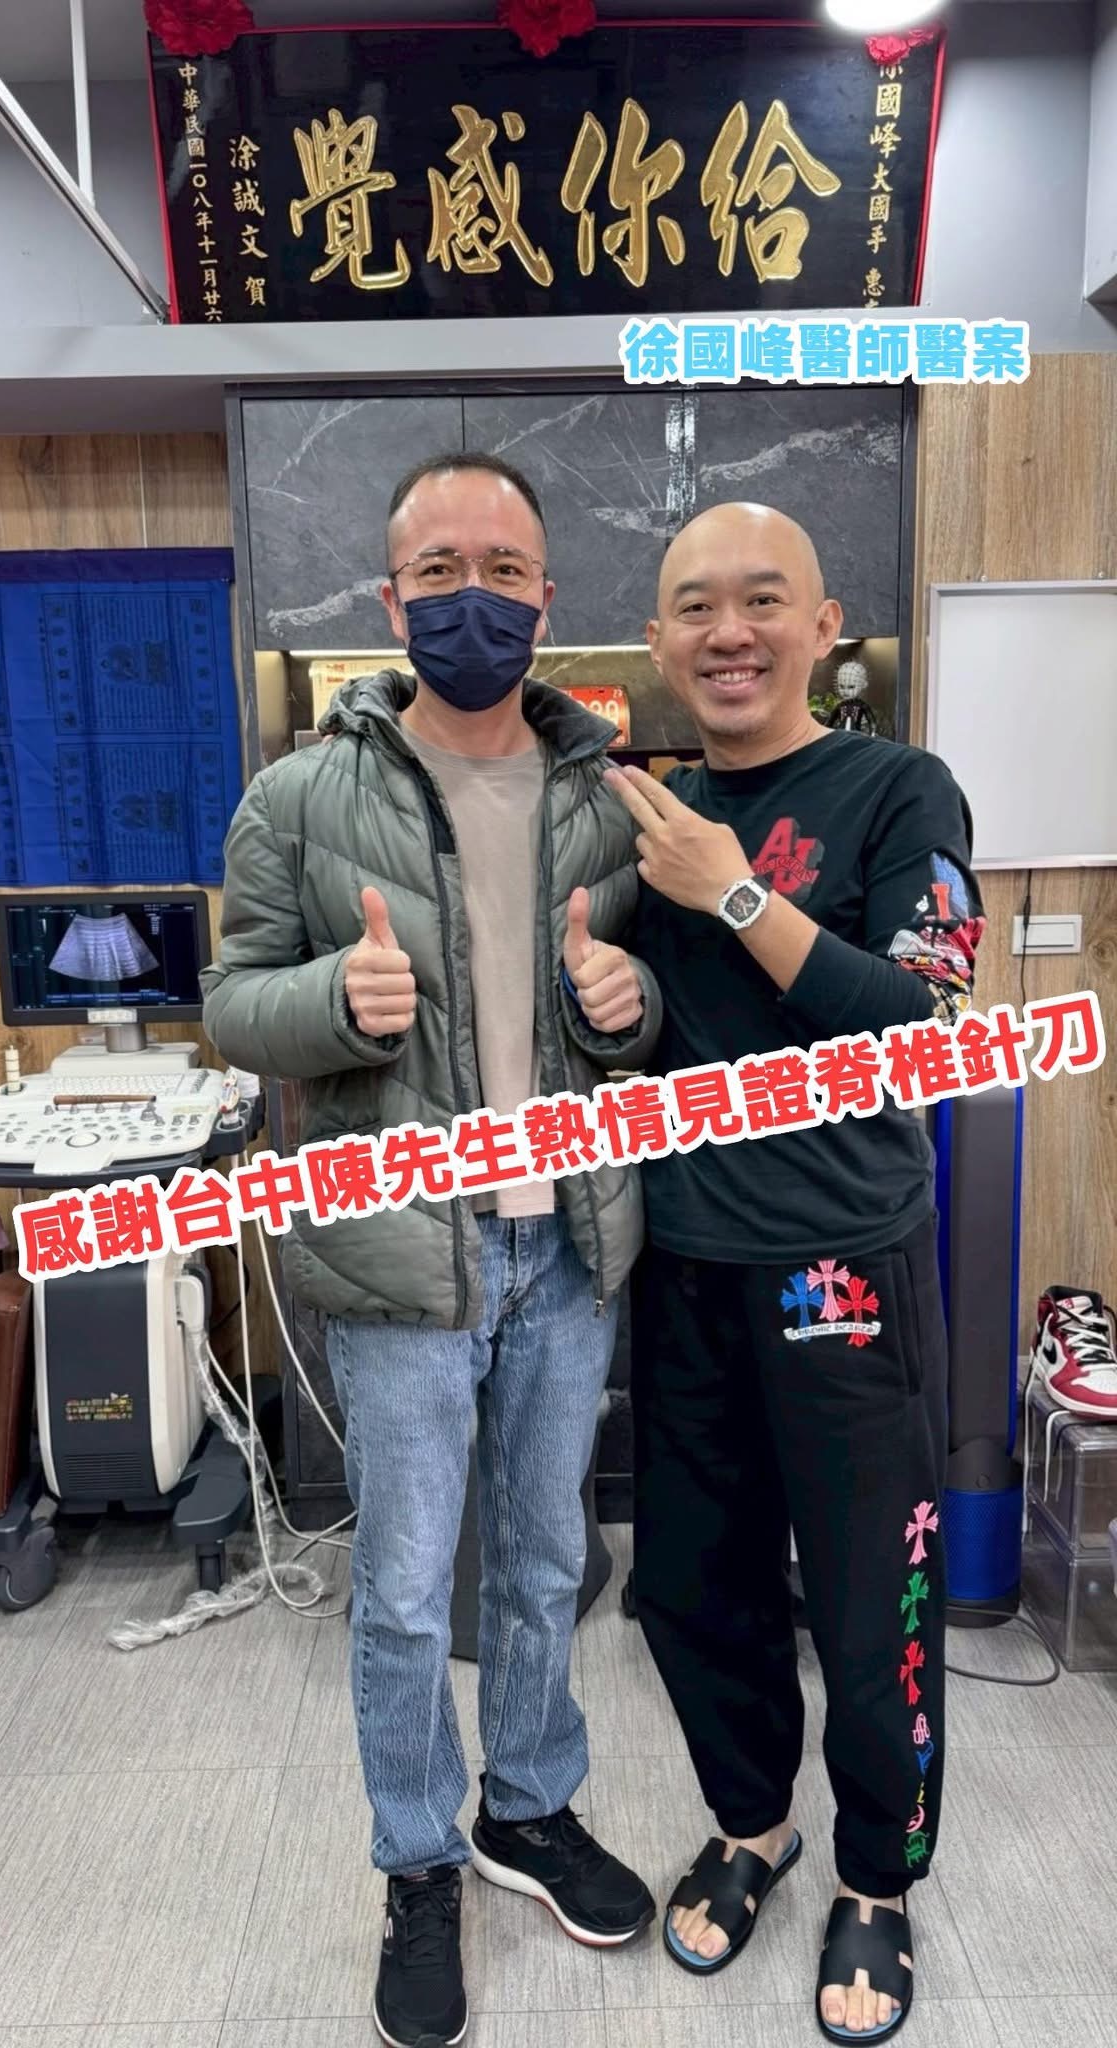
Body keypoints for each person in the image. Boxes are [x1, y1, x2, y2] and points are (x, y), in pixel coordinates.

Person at [202, 452, 659, 2048]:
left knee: (545, 1563)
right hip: (403, 1248)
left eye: (506, 569)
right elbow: (231, 1001)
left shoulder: (607, 796)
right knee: (402, 1592)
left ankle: (529, 1807)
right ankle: (417, 1860)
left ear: (547, 596)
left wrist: (633, 1009)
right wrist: (334, 1002)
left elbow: (639, 1015)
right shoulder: (300, 796)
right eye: (442, 570)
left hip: (567, 1247)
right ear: (392, 602)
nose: (477, 596)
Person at [605, 502, 984, 2045]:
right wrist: (602, 980)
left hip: (843, 1270)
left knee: (870, 1591)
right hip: (684, 1267)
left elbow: (926, 1026)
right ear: (658, 640)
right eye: (696, 606)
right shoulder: (651, 813)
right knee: (692, 1586)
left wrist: (736, 895)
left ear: (825, 628)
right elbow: (630, 1029)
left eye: (764, 601)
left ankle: (878, 1879)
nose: (730, 632)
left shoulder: (898, 788)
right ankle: (752, 1822)